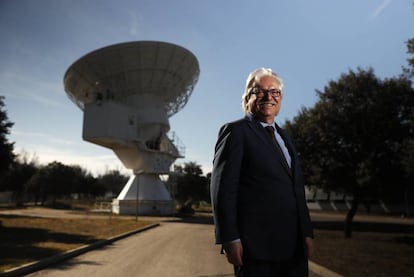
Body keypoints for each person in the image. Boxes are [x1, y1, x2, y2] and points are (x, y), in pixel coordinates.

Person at [210, 68, 314, 276]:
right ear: (247, 97)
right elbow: (223, 189)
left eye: (274, 91)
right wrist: (230, 238)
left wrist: (307, 233)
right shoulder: (236, 132)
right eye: (260, 91)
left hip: (293, 249)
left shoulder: (286, 138)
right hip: (255, 249)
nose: (268, 97)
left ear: (281, 98)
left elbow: (296, 191)